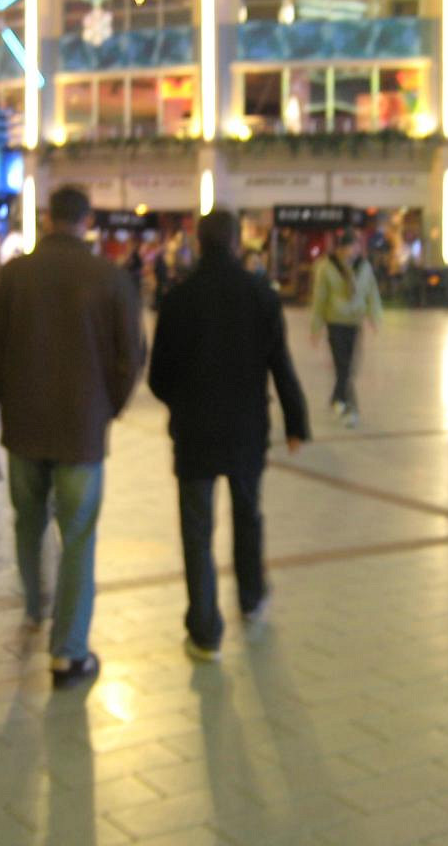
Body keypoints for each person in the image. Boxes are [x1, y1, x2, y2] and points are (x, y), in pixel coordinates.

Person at [0, 186, 144, 689]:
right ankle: (68, 654)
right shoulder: (110, 277)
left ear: (47, 219)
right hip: (81, 434)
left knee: (28, 522)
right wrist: (108, 407)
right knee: (78, 537)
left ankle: (33, 606)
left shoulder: (13, 276)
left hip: (24, 429)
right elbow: (131, 356)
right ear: (86, 221)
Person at [149, 211, 310, 662]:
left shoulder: (178, 298)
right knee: (247, 515)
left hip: (195, 433)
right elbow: (280, 363)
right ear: (237, 243)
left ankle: (205, 633)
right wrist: (295, 421)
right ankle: (251, 597)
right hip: (246, 431)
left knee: (197, 531)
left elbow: (158, 377)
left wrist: (182, 403)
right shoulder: (260, 294)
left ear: (198, 243)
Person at [310, 229, 381, 428]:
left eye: (357, 246)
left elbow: (371, 292)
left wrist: (374, 315)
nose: (354, 250)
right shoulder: (327, 267)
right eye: (351, 246)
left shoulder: (364, 267)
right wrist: (316, 327)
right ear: (341, 248)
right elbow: (319, 298)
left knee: (350, 366)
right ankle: (350, 409)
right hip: (336, 322)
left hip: (354, 322)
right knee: (343, 366)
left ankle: (337, 397)